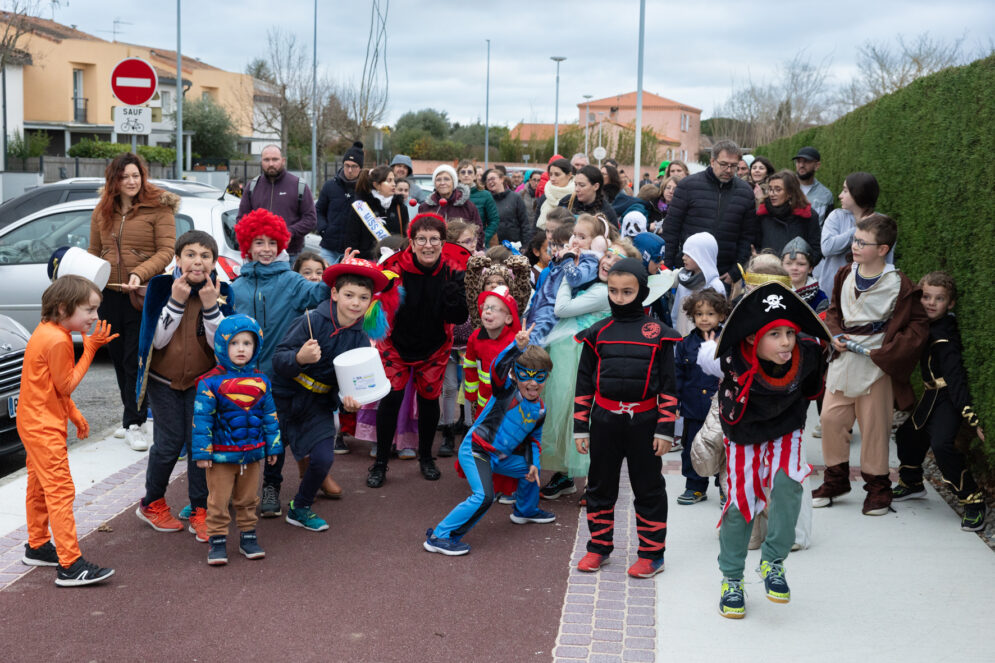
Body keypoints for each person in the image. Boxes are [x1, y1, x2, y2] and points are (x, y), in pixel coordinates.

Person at [708, 281, 831, 619]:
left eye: (789, 333)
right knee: (742, 501)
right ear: (752, 338)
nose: (786, 343)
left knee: (790, 486)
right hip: (744, 431)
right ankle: (732, 578)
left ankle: (773, 561)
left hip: (786, 428)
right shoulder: (736, 359)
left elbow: (810, 388)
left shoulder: (806, 355)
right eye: (774, 335)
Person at [813, 214, 929, 516]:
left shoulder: (899, 284)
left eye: (863, 242)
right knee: (830, 419)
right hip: (843, 359)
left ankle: (878, 488)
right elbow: (835, 310)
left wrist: (888, 354)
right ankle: (836, 479)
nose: (855, 246)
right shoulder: (844, 274)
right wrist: (835, 334)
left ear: (882, 249)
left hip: (876, 364)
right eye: (855, 240)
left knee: (875, 428)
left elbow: (917, 326)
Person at [573, 258, 679, 579]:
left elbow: (670, 387)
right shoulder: (597, 332)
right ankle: (599, 547)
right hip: (604, 420)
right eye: (614, 291)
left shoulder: (658, 333)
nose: (619, 298)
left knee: (648, 488)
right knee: (600, 487)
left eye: (627, 292)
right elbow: (583, 382)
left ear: (642, 292)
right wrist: (581, 427)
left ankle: (651, 554)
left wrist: (665, 429)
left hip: (645, 423)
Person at [272, 256, 394, 530]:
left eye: (363, 298)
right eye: (349, 295)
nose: (355, 303)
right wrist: (300, 358)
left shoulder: (362, 337)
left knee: (324, 459)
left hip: (319, 403)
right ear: (335, 293)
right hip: (285, 397)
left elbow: (352, 384)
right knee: (273, 451)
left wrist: (351, 402)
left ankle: (300, 507)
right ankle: (268, 491)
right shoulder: (311, 320)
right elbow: (279, 360)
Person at [134, 230, 235, 542]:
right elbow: (157, 341)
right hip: (163, 381)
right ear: (178, 259)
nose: (197, 261)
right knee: (168, 444)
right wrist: (177, 301)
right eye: (190, 254)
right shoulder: (161, 286)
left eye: (205, 256)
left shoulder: (222, 291)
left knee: (199, 445)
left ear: (214, 262)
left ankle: (200, 508)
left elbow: (224, 347)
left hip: (202, 383)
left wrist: (210, 306)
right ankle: (152, 502)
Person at [229, 209, 330, 517]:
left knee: (276, 437)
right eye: (258, 242)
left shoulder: (291, 281)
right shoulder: (235, 287)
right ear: (247, 246)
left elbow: (319, 293)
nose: (266, 249)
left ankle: (271, 485)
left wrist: (337, 273)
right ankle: (230, 488)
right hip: (242, 377)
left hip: (279, 376)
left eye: (272, 242)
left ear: (283, 245)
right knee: (238, 433)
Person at [19, 276, 118, 586]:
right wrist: (90, 350)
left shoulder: (47, 330)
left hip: (33, 421)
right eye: (89, 309)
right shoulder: (60, 339)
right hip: (43, 427)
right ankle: (70, 565)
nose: (95, 317)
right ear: (63, 308)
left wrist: (73, 414)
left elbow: (49, 385)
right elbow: (66, 384)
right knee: (60, 491)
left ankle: (37, 545)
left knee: (38, 486)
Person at [424, 329, 555, 555]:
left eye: (540, 376)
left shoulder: (540, 409)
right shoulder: (506, 391)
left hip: (500, 458)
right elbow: (497, 368)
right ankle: (439, 536)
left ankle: (525, 510)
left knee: (532, 468)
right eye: (526, 375)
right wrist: (517, 347)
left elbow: (534, 439)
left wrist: (533, 463)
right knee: (483, 496)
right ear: (515, 375)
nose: (533, 383)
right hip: (477, 450)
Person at [370, 214, 470, 487]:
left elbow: (460, 318)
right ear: (411, 243)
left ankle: (426, 457)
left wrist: (454, 297)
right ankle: (380, 462)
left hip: (435, 346)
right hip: (397, 345)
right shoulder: (394, 269)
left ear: (442, 242)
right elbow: (378, 313)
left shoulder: (454, 269)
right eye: (422, 239)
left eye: (434, 239)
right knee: (390, 401)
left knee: (429, 402)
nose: (428, 245)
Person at [88, 152, 177, 452]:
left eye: (136, 175)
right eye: (124, 176)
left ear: (143, 176)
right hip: (109, 293)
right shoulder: (102, 212)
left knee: (135, 359)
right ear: (114, 180)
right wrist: (89, 285)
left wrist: (140, 273)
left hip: (142, 295)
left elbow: (167, 251)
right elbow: (94, 251)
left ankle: (134, 423)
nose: (131, 181)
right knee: (116, 358)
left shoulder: (159, 207)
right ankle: (132, 416)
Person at [892, 272, 987, 530]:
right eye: (926, 297)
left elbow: (955, 378)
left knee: (942, 445)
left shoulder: (944, 337)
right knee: (908, 435)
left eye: (940, 299)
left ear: (951, 304)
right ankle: (911, 482)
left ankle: (973, 499)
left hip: (947, 397)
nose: (931, 303)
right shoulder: (923, 325)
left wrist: (971, 416)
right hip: (931, 394)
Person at [539, 240, 633, 501]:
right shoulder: (595, 284)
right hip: (567, 355)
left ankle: (593, 480)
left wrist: (569, 276)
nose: (608, 262)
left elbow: (562, 308)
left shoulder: (603, 292)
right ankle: (565, 474)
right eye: (608, 256)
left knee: (580, 416)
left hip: (578, 358)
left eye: (618, 260)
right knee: (562, 413)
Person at [191, 314, 282, 565]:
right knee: (218, 501)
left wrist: (273, 446)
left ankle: (248, 537)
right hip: (220, 455)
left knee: (248, 499)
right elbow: (202, 420)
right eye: (234, 343)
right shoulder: (209, 382)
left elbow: (270, 416)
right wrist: (203, 452)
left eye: (247, 343)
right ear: (222, 344)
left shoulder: (263, 381)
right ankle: (217, 541)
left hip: (252, 454)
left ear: (256, 347)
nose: (241, 348)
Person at [662, 140, 757, 287]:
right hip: (688, 270)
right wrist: (668, 267)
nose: (729, 170)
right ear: (712, 161)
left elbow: (747, 236)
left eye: (733, 165)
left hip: (724, 273)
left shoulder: (745, 192)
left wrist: (736, 271)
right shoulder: (688, 185)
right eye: (724, 164)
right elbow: (672, 228)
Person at [674, 288, 729, 504]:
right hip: (693, 406)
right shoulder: (685, 343)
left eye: (710, 313)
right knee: (692, 446)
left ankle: (725, 486)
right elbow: (678, 374)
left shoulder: (728, 340)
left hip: (722, 407)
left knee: (722, 446)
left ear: (721, 316)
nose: (704, 318)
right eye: (699, 314)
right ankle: (695, 486)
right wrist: (675, 402)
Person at [816, 172, 892, 303]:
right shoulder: (836, 216)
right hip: (832, 295)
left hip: (866, 297)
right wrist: (859, 229)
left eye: (845, 191)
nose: (840, 195)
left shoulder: (882, 223)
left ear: (858, 193)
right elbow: (827, 248)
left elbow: (887, 262)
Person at [238, 144, 317, 261]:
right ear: (261, 161)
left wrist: (290, 232)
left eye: (275, 159)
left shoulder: (299, 185)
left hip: (290, 255)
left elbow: (310, 219)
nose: (271, 164)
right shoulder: (252, 186)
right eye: (266, 160)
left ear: (283, 161)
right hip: (259, 256)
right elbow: (241, 219)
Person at [755, 170, 822, 264]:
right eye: (770, 189)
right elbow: (755, 245)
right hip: (768, 272)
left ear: (790, 192)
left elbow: (816, 250)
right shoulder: (762, 215)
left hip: (795, 274)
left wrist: (800, 265)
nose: (772, 194)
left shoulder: (808, 216)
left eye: (778, 189)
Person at [316, 141, 365, 264]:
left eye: (354, 166)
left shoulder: (365, 190)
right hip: (329, 247)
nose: (349, 170)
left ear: (360, 168)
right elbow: (318, 211)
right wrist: (323, 229)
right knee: (326, 281)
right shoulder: (329, 186)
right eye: (346, 165)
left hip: (354, 251)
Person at [348, 165, 409, 260]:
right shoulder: (361, 207)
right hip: (367, 261)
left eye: (393, 180)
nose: (393, 184)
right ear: (376, 185)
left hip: (394, 261)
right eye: (389, 181)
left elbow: (405, 237)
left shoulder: (400, 207)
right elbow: (352, 239)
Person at [671, 232, 726, 337]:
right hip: (682, 342)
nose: (683, 258)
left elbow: (721, 319)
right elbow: (675, 313)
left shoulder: (715, 286)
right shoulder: (684, 282)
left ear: (702, 256)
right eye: (684, 254)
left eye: (689, 255)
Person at [419, 164, 485, 251]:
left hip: (461, 254)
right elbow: (420, 233)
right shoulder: (425, 207)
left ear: (453, 182)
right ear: (434, 183)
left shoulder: (467, 206)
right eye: (438, 179)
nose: (442, 183)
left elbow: (478, 232)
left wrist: (472, 253)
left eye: (446, 179)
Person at [483, 168, 532, 247]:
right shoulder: (487, 200)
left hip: (515, 246)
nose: (490, 182)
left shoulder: (516, 198)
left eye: (492, 179)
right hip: (495, 247)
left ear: (502, 179)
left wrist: (526, 246)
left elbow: (524, 224)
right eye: (487, 180)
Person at [455, 160, 500, 246]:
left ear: (475, 176)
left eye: (470, 172)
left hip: (478, 243)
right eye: (463, 172)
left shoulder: (485, 195)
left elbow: (494, 220)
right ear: (458, 176)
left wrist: (483, 238)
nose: (466, 175)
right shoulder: (453, 195)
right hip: (456, 242)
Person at [781, 237, 828, 312]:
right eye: (789, 263)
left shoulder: (819, 297)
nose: (794, 268)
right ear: (782, 265)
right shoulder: (775, 293)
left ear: (810, 268)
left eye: (801, 264)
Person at [792, 146, 834, 228]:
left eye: (806, 161)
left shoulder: (826, 195)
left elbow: (828, 228)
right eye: (798, 161)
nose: (801, 165)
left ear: (817, 165)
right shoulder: (786, 188)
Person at [535, 158, 575, 229]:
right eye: (550, 175)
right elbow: (535, 228)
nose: (552, 179)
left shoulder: (575, 197)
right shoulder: (545, 196)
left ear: (569, 175)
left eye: (557, 175)